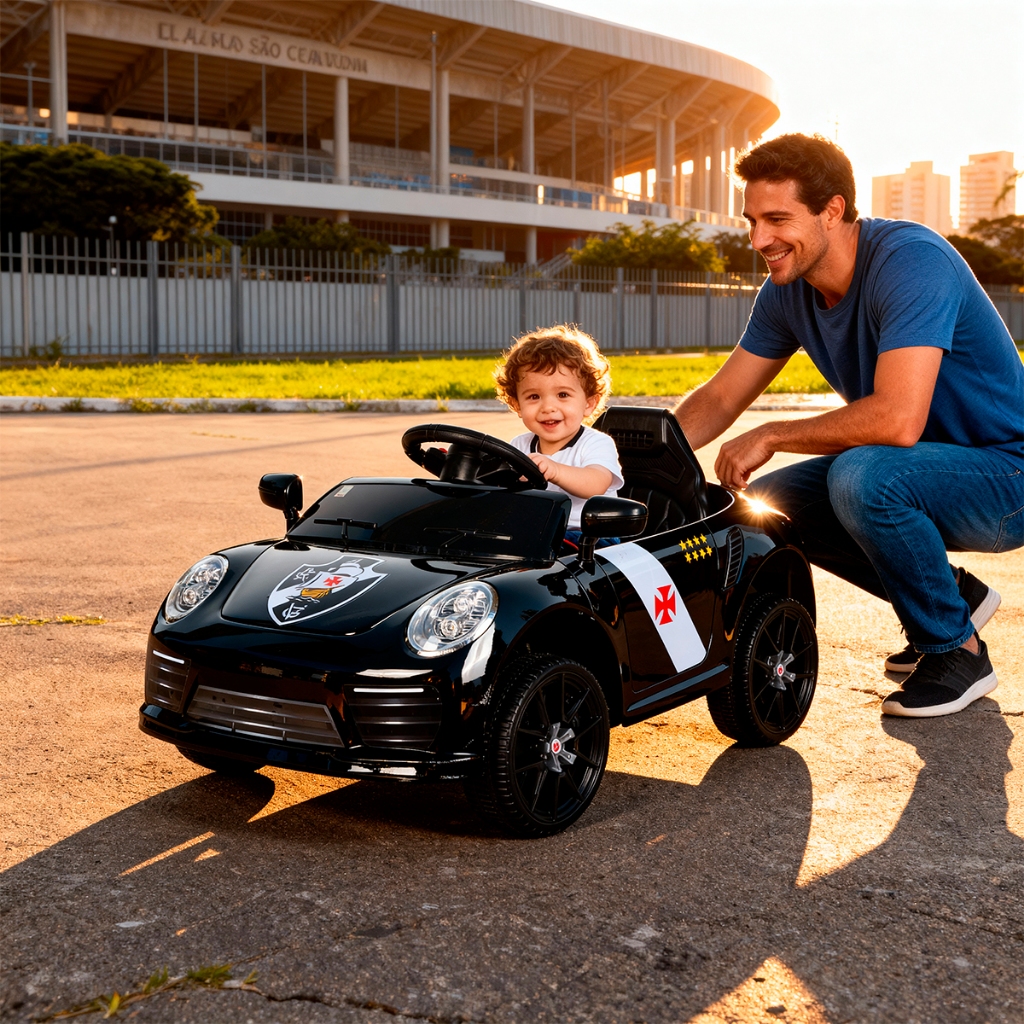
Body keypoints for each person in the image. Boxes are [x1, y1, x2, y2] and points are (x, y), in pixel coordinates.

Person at [674, 133, 1023, 719]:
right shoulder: (788, 291)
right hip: (921, 468)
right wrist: (618, 453)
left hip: (1008, 477)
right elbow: (719, 397)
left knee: (863, 478)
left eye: (777, 219)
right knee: (769, 504)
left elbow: (896, 418)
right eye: (752, 221)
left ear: (832, 210)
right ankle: (952, 597)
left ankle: (955, 652)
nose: (760, 240)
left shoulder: (911, 261)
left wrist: (771, 435)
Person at [494, 325, 624, 544]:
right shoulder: (519, 445)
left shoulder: (596, 443)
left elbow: (595, 484)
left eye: (562, 395)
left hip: (589, 538)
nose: (548, 407)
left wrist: (554, 470)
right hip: (536, 534)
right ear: (517, 404)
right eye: (534, 397)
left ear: (589, 403)